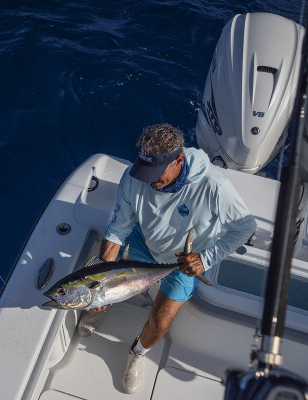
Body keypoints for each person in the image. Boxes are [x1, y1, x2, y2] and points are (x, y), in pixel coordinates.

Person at [78, 124, 256, 394]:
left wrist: (205, 259)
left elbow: (244, 227)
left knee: (160, 320)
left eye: (156, 174)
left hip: (183, 262)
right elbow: (118, 230)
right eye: (145, 172)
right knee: (96, 282)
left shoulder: (214, 186)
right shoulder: (133, 177)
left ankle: (136, 352)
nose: (149, 181)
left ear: (179, 161)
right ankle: (100, 304)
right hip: (141, 242)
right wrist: (102, 279)